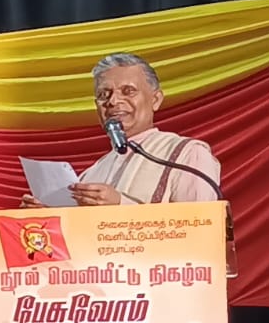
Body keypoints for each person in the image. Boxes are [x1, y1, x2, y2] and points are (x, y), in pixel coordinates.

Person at [22, 52, 222, 208]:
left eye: (128, 91)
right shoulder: (90, 175)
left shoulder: (186, 154)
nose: (113, 101)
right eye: (104, 94)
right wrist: (47, 216)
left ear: (155, 100)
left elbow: (201, 228)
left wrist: (120, 205)